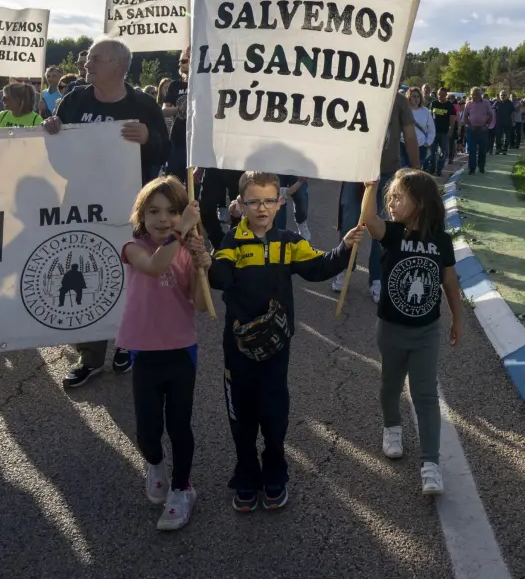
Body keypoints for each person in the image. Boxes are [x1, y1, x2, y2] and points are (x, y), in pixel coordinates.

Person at [209, 171, 364, 511]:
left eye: (269, 200)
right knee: (241, 417)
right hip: (238, 348)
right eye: (253, 201)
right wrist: (205, 259)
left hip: (276, 347)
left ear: (280, 203)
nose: (262, 208)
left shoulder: (289, 242)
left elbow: (319, 266)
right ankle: (246, 473)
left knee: (274, 414)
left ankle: (275, 471)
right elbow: (219, 279)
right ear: (241, 204)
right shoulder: (232, 243)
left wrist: (344, 247)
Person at [44, 37, 170, 387]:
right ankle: (91, 356)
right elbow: (58, 157)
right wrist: (51, 132)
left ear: (119, 66)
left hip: (126, 208)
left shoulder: (143, 104)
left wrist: (148, 138)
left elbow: (165, 151)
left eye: (96, 59)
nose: (87, 64)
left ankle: (127, 341)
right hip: (80, 205)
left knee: (126, 274)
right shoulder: (74, 100)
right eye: (88, 59)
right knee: (85, 273)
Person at [117, 176, 211, 531]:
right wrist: (180, 231)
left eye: (172, 211)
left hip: (181, 349)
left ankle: (182, 489)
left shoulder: (187, 249)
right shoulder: (133, 247)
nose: (163, 219)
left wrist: (202, 267)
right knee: (147, 430)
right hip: (144, 351)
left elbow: (200, 304)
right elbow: (154, 266)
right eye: (154, 211)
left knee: (179, 425)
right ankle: (155, 464)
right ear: (141, 215)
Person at [359, 169, 461, 495]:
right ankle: (392, 428)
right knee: (390, 384)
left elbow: (450, 283)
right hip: (390, 329)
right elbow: (368, 219)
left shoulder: (441, 241)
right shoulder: (392, 233)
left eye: (398, 197)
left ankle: (431, 463)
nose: (391, 203)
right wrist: (371, 187)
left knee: (425, 394)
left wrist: (457, 319)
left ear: (421, 202)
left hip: (426, 333)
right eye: (389, 197)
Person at [333, 90, 419, 298]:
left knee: (382, 227)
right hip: (357, 171)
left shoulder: (399, 101)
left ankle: (377, 277)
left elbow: (409, 135)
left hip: (387, 173)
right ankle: (344, 267)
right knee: (350, 221)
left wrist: (416, 171)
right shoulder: (357, 92)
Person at [160, 48, 190, 183]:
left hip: (197, 142)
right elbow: (164, 111)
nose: (180, 64)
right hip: (177, 141)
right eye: (180, 61)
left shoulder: (202, 85)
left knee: (194, 187)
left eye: (184, 61)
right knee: (173, 183)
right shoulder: (175, 85)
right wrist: (180, 109)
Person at [461, 87, 495, 174]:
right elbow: (465, 116)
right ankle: (472, 168)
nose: (473, 97)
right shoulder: (469, 104)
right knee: (472, 150)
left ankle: (481, 166)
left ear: (480, 95)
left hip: (483, 130)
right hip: (472, 130)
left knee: (482, 150)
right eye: (472, 95)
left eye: (475, 95)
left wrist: (486, 125)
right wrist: (470, 125)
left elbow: (491, 115)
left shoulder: (486, 103)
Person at [427, 87, 455, 175]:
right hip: (433, 132)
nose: (440, 96)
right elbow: (430, 117)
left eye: (443, 95)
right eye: (439, 94)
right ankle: (432, 168)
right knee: (432, 152)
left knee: (443, 152)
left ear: (446, 95)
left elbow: (452, 119)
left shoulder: (449, 105)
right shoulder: (433, 103)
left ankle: (439, 168)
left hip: (444, 132)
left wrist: (451, 130)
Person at [408, 87, 435, 171]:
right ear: (409, 98)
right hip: (404, 144)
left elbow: (431, 129)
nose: (416, 99)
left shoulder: (425, 111)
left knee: (416, 170)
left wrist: (428, 142)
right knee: (405, 169)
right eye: (414, 96)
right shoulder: (404, 110)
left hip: (421, 145)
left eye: (418, 96)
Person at [492, 90, 515, 155]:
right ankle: (498, 148)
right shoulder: (497, 103)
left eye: (504, 95)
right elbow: (492, 110)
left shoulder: (510, 103)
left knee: (507, 136)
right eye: (501, 95)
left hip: (507, 122)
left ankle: (505, 149)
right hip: (499, 122)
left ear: (507, 96)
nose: (502, 96)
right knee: (498, 136)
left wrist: (513, 121)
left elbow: (513, 113)